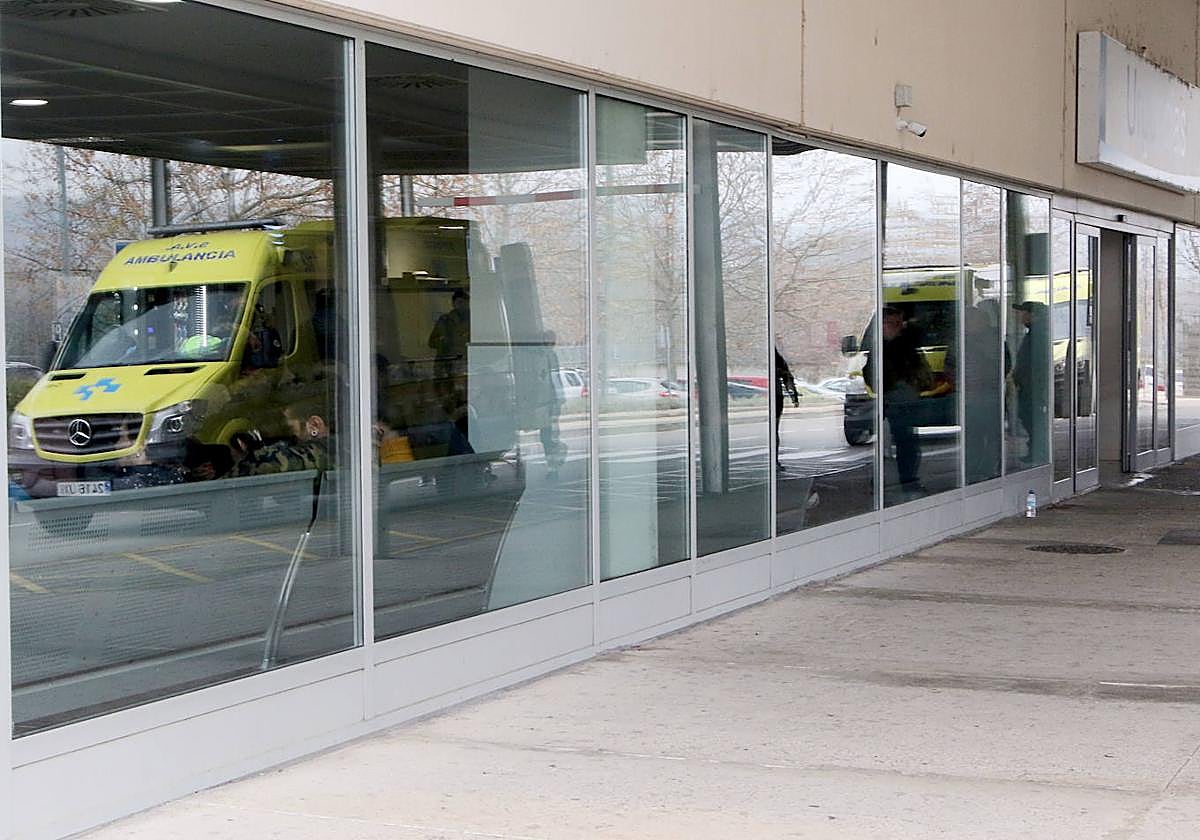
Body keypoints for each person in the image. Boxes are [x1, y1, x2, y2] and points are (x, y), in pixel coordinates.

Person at [865, 306, 933, 497]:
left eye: (899, 323)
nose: (897, 327)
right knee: (905, 445)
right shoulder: (880, 348)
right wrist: (893, 385)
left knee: (907, 444)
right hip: (894, 401)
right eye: (892, 324)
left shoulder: (904, 344)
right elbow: (873, 375)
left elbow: (917, 364)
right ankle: (904, 484)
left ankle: (901, 482)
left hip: (904, 400)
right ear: (882, 325)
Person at [231, 396, 332, 477]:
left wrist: (251, 453)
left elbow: (266, 465)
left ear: (314, 425)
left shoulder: (324, 452)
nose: (289, 438)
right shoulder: (341, 448)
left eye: (289, 429)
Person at [1011, 300, 1049, 464]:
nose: (1021, 316)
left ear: (1034, 316)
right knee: (1028, 418)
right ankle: (1035, 450)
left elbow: (1037, 365)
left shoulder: (1037, 336)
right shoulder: (1033, 334)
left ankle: (1038, 451)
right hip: (1029, 387)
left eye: (1024, 312)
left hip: (1032, 388)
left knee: (1032, 419)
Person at [774, 348, 799, 470]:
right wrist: (793, 395)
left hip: (775, 396)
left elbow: (787, 376)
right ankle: (774, 461)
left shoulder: (774, 357)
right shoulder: (775, 357)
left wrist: (793, 395)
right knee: (773, 431)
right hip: (775, 395)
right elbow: (787, 376)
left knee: (773, 430)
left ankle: (774, 461)